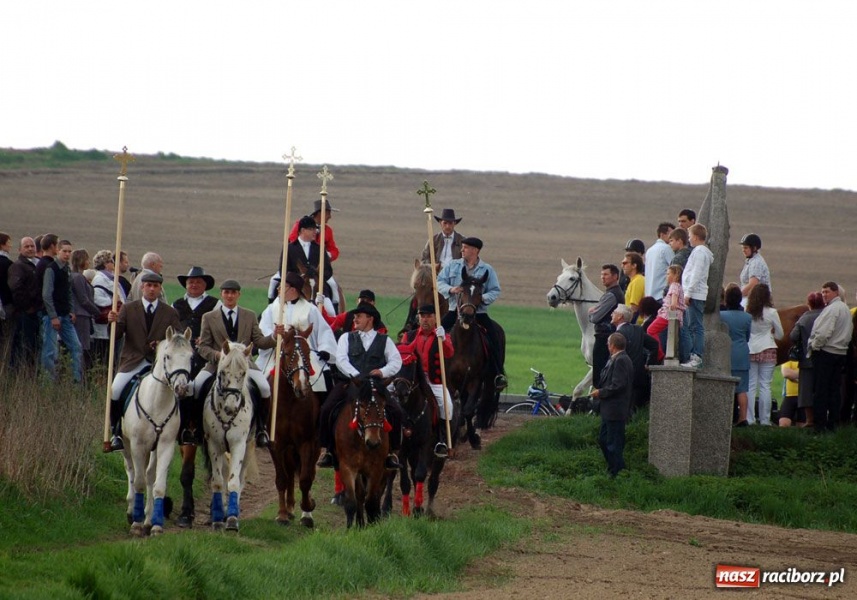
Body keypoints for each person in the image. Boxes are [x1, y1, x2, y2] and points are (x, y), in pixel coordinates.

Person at [194, 279, 283, 448]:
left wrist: (273, 336)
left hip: (244, 365)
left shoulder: (249, 315)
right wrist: (218, 355)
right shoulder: (209, 317)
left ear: (238, 295)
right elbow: (203, 347)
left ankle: (261, 428)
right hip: (218, 365)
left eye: (233, 293)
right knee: (196, 386)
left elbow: (259, 341)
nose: (230, 296)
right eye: (226, 292)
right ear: (221, 294)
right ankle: (196, 427)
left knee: (264, 388)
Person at [317, 303, 403, 471]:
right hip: (350, 383)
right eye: (355, 316)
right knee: (326, 408)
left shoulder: (384, 340)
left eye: (359, 316)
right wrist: (356, 375)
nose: (354, 319)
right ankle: (327, 450)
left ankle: (392, 452)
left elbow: (396, 361)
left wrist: (382, 371)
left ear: (370, 319)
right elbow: (341, 360)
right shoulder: (346, 337)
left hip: (376, 386)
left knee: (397, 412)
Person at [106, 271, 182, 451]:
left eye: (156, 286)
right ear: (141, 287)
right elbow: (116, 335)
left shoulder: (170, 312)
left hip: (158, 364)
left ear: (160, 288)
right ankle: (116, 431)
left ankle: (177, 430)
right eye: (148, 285)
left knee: (180, 390)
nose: (152, 289)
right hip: (132, 360)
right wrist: (112, 322)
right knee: (115, 389)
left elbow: (177, 339)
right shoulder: (128, 308)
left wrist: (162, 344)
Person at [437, 236, 506, 390]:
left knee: (494, 337)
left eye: (465, 247)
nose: (462, 250)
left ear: (475, 250)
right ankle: (430, 371)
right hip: (455, 311)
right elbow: (439, 281)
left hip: (479, 313)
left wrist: (482, 298)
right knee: (436, 333)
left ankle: (498, 374)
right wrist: (451, 289)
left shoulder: (487, 269)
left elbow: (495, 290)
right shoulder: (452, 265)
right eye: (462, 247)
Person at [257, 271, 338, 399]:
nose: (278, 289)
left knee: (324, 379)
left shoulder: (310, 309)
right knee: (257, 382)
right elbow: (263, 330)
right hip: (276, 352)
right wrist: (274, 335)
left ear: (293, 289)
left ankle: (324, 409)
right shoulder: (271, 309)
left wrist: (325, 350)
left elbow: (324, 331)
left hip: (305, 353)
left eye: (282, 286)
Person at [397, 303, 454, 458]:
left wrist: (443, 339)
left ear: (436, 318)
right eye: (422, 316)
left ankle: (442, 439)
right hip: (413, 379)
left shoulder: (442, 336)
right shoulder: (409, 336)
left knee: (446, 406)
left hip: (433, 381)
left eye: (429, 316)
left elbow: (449, 353)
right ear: (418, 318)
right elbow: (403, 353)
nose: (425, 319)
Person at [172, 266, 220, 444]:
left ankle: (201, 426)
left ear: (205, 285)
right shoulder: (176, 304)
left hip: (204, 356)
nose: (194, 285)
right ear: (186, 284)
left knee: (201, 388)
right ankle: (181, 426)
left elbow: (219, 328)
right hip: (181, 356)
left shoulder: (215, 304)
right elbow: (172, 329)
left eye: (198, 282)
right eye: (191, 282)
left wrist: (207, 341)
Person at [808, 281, 853, 432]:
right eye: (822, 292)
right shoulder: (846, 309)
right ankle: (833, 423)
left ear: (836, 292)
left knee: (820, 391)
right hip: (840, 352)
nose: (824, 295)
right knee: (834, 390)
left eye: (827, 292)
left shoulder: (832, 309)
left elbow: (823, 332)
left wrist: (815, 346)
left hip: (826, 352)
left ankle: (819, 425)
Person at [591, 332, 634, 477]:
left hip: (615, 410)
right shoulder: (617, 358)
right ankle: (614, 468)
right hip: (608, 410)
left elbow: (618, 385)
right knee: (604, 440)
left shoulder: (621, 360)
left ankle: (617, 472)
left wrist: (600, 392)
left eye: (608, 344)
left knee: (613, 443)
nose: (607, 346)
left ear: (613, 346)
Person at [40, 238, 83, 383]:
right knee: (50, 351)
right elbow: (46, 294)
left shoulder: (67, 269)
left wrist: (71, 310)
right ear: (57, 251)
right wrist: (53, 316)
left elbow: (68, 292)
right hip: (52, 316)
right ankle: (48, 383)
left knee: (76, 347)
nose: (67, 254)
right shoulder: (51, 269)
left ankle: (75, 382)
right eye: (64, 251)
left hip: (65, 315)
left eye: (70, 251)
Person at [745, 284, 783, 426]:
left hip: (750, 349)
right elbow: (780, 335)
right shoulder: (772, 312)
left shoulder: (747, 311)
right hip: (768, 348)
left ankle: (750, 419)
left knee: (751, 385)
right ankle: (765, 420)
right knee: (765, 385)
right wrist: (771, 333)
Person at [611, 304, 659, 409]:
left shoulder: (618, 335)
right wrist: (649, 364)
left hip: (623, 379)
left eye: (614, 313)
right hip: (640, 376)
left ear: (620, 317)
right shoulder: (638, 330)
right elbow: (654, 345)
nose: (611, 315)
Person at [790, 291, 824, 429]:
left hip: (806, 360)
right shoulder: (827, 316)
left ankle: (809, 420)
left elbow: (793, 336)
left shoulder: (804, 318)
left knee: (806, 391)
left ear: (809, 304)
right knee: (823, 389)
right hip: (825, 358)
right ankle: (823, 419)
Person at [680, 224, 713, 368]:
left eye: (689, 236)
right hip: (693, 293)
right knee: (691, 325)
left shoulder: (699, 252)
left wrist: (688, 292)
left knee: (696, 326)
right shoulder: (699, 252)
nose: (688, 239)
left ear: (695, 236)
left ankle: (697, 356)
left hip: (695, 294)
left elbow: (696, 273)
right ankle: (693, 355)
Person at [719, 284, 752, 426]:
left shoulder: (721, 316)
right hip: (742, 353)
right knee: (742, 389)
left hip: (725, 353)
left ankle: (724, 417)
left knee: (724, 385)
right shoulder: (747, 317)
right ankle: (743, 418)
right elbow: (747, 336)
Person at [588, 264, 624, 386]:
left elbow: (595, 317)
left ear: (615, 276)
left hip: (604, 337)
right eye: (602, 274)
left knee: (599, 375)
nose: (602, 277)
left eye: (606, 274)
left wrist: (591, 312)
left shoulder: (611, 295)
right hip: (608, 337)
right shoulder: (613, 293)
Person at [7, 237, 40, 370]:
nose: (30, 249)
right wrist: (27, 307)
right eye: (26, 246)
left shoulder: (36, 264)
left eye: (32, 246)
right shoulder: (18, 266)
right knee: (24, 345)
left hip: (35, 312)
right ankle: (19, 372)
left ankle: (30, 372)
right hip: (24, 313)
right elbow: (15, 288)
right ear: (20, 249)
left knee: (33, 345)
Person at [91, 250, 128, 367]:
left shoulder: (110, 278)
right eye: (111, 261)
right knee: (105, 360)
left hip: (111, 326)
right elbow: (96, 298)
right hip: (103, 328)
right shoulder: (99, 279)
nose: (113, 264)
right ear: (106, 264)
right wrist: (113, 301)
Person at [70, 248, 101, 372]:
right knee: (81, 349)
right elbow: (83, 300)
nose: (89, 262)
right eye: (87, 259)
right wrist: (97, 312)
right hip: (81, 316)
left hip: (81, 315)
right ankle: (78, 375)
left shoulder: (75, 276)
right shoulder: (78, 277)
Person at [646, 265, 685, 361]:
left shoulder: (674, 286)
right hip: (674, 315)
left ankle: (659, 354)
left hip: (667, 314)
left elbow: (674, 302)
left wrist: (672, 307)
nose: (666, 276)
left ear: (675, 275)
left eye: (668, 274)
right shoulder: (679, 286)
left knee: (651, 330)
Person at [322, 289, 387, 338]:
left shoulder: (380, 327)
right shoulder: (348, 316)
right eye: (362, 300)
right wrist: (321, 306)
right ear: (357, 301)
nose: (364, 302)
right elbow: (331, 323)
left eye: (368, 300)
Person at [644, 222, 675, 302]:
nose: (673, 237)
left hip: (649, 295)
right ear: (662, 234)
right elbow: (675, 268)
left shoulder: (650, 250)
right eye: (671, 234)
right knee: (670, 312)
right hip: (661, 295)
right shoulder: (666, 248)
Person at [739, 233, 771, 303]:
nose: (743, 250)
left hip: (756, 300)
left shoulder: (756, 263)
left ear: (754, 248)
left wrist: (737, 296)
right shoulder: (751, 261)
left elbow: (753, 285)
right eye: (742, 248)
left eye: (746, 248)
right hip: (749, 298)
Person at [621, 252, 645, 322]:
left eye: (625, 263)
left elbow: (634, 308)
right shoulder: (635, 280)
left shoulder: (637, 281)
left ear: (634, 265)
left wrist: (625, 324)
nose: (622, 266)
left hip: (636, 323)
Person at [779, 360, 801, 427]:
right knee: (783, 424)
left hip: (805, 397)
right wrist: (804, 374)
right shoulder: (790, 357)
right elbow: (786, 373)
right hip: (790, 396)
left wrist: (794, 374)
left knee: (803, 426)